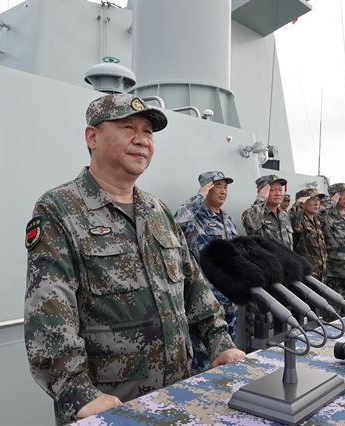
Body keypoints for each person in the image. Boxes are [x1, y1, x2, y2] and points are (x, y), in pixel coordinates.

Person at [24, 93, 244, 424]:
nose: (141, 140)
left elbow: (194, 287)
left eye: (148, 132)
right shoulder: (59, 208)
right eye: (128, 127)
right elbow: (50, 311)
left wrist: (220, 343)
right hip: (111, 406)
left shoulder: (158, 211)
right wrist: (78, 394)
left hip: (177, 395)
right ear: (92, 137)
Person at [174, 171, 239, 373]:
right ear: (207, 188)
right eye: (218, 185)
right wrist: (199, 196)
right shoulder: (195, 217)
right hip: (205, 300)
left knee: (228, 353)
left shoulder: (227, 219)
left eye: (225, 187)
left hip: (229, 296)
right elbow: (177, 223)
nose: (223, 191)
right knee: (202, 359)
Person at [320, 183, 345, 312]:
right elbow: (318, 212)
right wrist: (331, 201)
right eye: (342, 194)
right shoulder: (326, 215)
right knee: (332, 314)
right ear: (334, 196)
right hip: (334, 273)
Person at [241, 174, 294, 249]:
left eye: (280, 190)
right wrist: (261, 198)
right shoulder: (251, 214)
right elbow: (252, 226)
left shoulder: (284, 215)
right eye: (272, 190)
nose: (278, 194)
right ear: (261, 192)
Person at [289, 188, 328, 281]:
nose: (317, 203)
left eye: (318, 200)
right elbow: (293, 221)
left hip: (321, 274)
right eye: (312, 200)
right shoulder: (298, 220)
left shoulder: (316, 221)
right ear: (302, 202)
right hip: (307, 275)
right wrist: (298, 203)